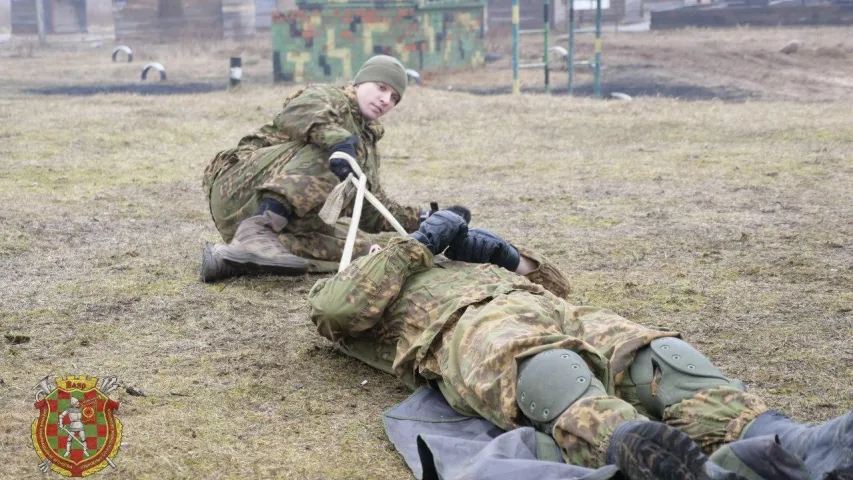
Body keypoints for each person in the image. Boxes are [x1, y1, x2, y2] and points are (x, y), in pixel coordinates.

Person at [307, 211, 852, 480]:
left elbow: (557, 287)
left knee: (654, 357)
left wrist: (501, 253)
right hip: (466, 329)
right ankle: (638, 450)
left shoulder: (459, 259)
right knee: (549, 370)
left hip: (558, 312)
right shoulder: (357, 280)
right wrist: (415, 246)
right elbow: (337, 311)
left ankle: (789, 442)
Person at [199, 55, 468, 282]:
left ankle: (229, 259)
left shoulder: (364, 141)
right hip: (239, 190)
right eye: (381, 87)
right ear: (361, 82)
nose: (386, 99)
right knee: (331, 150)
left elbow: (367, 205)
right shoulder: (329, 97)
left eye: (394, 97)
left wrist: (425, 219)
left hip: (277, 218)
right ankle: (257, 230)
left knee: (365, 247)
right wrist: (339, 143)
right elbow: (297, 113)